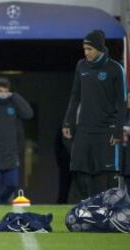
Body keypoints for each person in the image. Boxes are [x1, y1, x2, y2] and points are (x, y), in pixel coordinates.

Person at [62, 30, 127, 200]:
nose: (86, 53)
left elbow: (121, 103)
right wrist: (68, 122)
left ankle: (112, 208)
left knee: (109, 170)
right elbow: (75, 96)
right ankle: (88, 206)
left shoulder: (115, 69)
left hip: (107, 128)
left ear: (99, 48)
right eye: (84, 49)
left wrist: (118, 130)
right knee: (78, 168)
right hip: (84, 127)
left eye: (89, 49)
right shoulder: (81, 66)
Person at [0, 77, 33, 204]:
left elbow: (28, 114)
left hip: (10, 154)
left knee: (12, 184)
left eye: (6, 91)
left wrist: (15, 96)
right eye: (0, 91)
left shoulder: (13, 103)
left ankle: (1, 202)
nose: (3, 94)